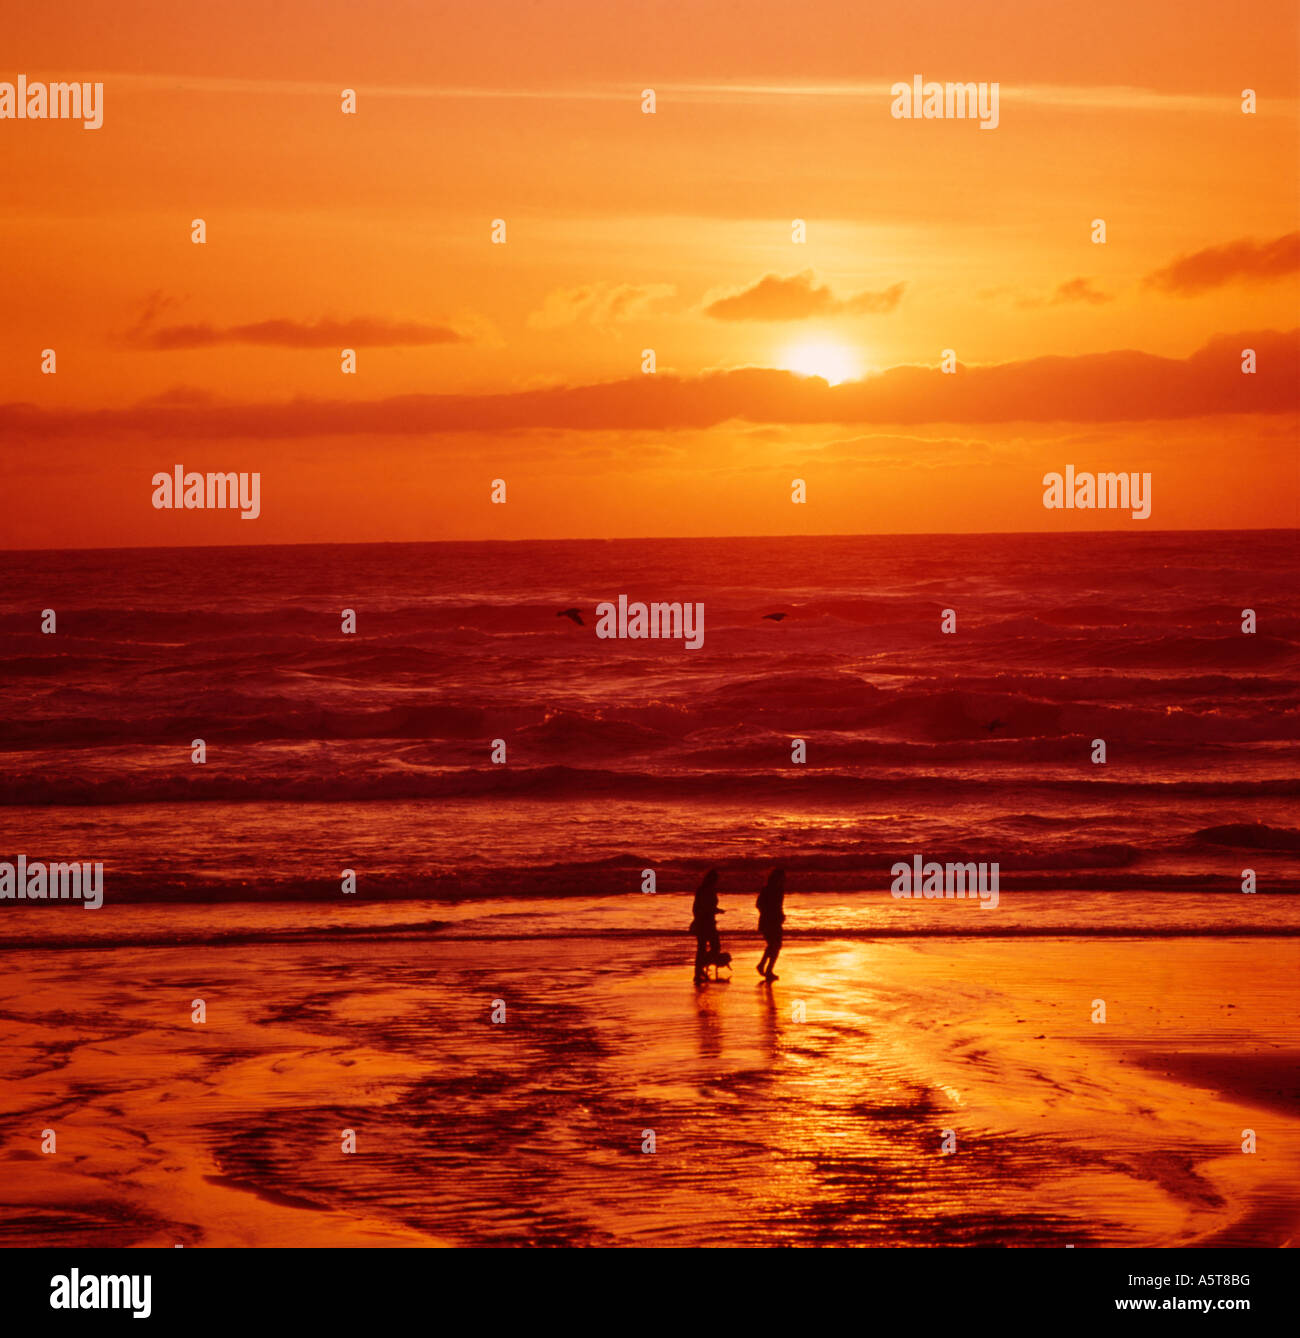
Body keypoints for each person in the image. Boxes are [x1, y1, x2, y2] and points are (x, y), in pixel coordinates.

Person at [689, 869, 723, 983]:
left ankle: (699, 970)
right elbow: (704, 907)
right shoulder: (706, 890)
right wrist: (715, 911)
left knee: (702, 948)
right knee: (714, 947)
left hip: (704, 922)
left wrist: (716, 910)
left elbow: (697, 907)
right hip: (706, 923)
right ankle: (701, 967)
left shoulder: (703, 890)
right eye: (716, 879)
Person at [756, 868, 786, 980]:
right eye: (782, 878)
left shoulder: (779, 890)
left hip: (775, 921)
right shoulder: (767, 889)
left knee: (774, 945)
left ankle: (764, 966)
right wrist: (769, 913)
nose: (783, 880)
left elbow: (779, 906)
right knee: (774, 945)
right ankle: (766, 969)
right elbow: (759, 904)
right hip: (767, 921)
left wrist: (781, 915)